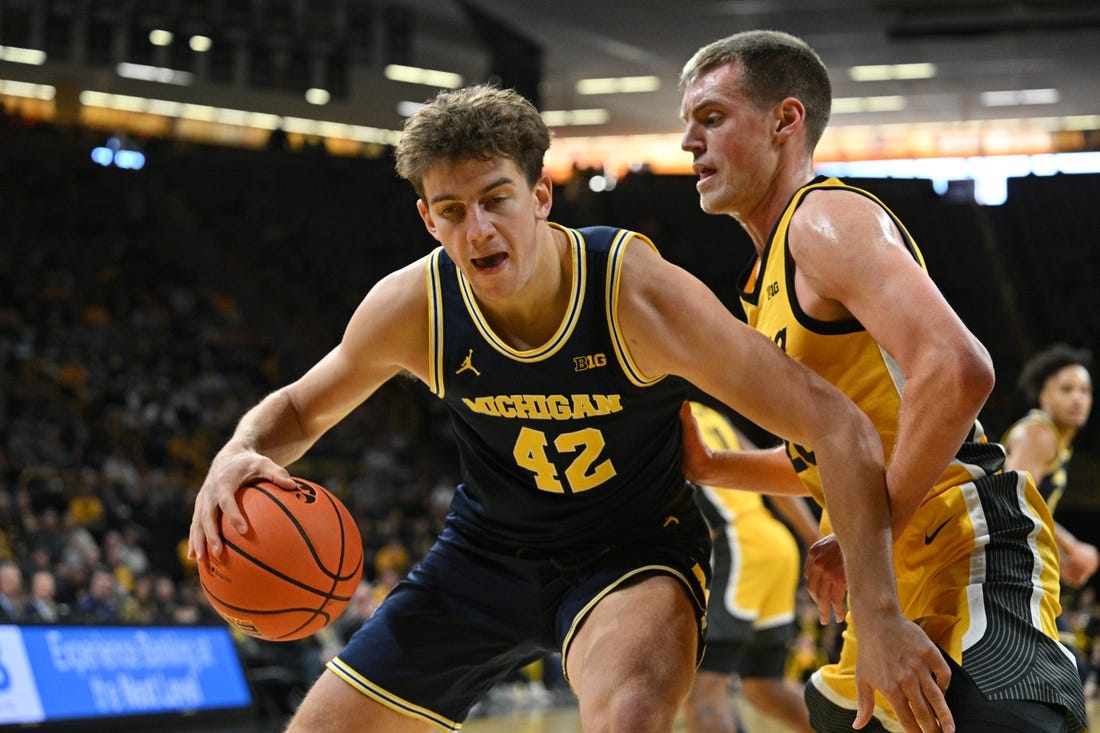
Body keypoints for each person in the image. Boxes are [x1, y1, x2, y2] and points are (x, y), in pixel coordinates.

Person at [189, 84, 922, 733]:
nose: (477, 229)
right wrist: (237, 451)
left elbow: (837, 423)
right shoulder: (412, 307)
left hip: (633, 553)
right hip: (485, 552)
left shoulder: (638, 294)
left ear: (539, 197)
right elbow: (298, 411)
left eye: (495, 199)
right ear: (427, 221)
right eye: (452, 210)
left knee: (630, 716)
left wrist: (881, 613)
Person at [677, 30, 1088, 733]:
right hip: (883, 577)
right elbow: (844, 449)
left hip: (964, 546)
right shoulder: (766, 278)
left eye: (712, 117)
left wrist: (879, 524)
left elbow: (959, 370)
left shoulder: (824, 219)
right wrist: (716, 465)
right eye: (687, 124)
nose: (689, 141)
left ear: (786, 120)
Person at [681, 401, 818, 733]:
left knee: (701, 691)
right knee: (763, 687)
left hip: (738, 549)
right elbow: (769, 473)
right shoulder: (708, 414)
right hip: (775, 543)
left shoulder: (655, 416)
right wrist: (815, 539)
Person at [1003, 343, 1098, 589]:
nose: (1078, 398)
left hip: (1013, 559)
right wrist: (1071, 545)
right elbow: (1012, 499)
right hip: (996, 561)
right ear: (1044, 397)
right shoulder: (1038, 433)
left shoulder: (1056, 441)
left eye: (1084, 390)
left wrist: (1062, 558)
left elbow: (1030, 511)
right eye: (1066, 389)